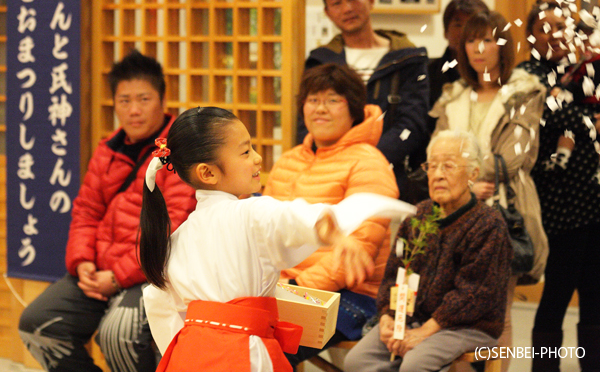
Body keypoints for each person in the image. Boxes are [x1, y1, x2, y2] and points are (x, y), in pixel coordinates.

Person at [139, 107, 415, 372]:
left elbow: (156, 301)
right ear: (207, 173)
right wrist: (336, 235)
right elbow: (295, 217)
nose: (257, 158)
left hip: (189, 356)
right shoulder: (251, 215)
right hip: (244, 354)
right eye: (246, 152)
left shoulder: (177, 240)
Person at [18, 50, 197, 372]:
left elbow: (171, 228)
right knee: (38, 324)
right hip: (99, 271)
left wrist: (117, 277)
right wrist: (82, 261)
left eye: (144, 99)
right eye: (124, 100)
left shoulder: (179, 153)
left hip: (151, 273)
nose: (134, 110)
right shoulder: (108, 151)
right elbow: (86, 212)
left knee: (119, 335)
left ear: (162, 99)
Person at [430, 9, 548, 372]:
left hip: (503, 211)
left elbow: (517, 155)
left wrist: (467, 175)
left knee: (501, 312)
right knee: (452, 311)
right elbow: (437, 151)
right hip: (454, 214)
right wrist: (465, 183)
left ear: (503, 46)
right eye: (470, 40)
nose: (477, 49)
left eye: (487, 40)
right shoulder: (453, 96)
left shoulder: (523, 93)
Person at [262, 64, 399, 368]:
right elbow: (265, 231)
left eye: (333, 100)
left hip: (351, 294)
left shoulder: (369, 163)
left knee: (266, 349)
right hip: (286, 288)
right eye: (313, 100)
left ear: (353, 109)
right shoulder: (287, 161)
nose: (320, 109)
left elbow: (358, 250)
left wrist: (294, 289)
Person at [344, 130, 513, 372]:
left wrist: (426, 330)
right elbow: (394, 274)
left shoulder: (488, 225)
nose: (438, 175)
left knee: (416, 365)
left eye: (449, 166)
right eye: (432, 166)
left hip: (468, 325)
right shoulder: (418, 215)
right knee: (358, 361)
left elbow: (474, 294)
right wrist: (388, 318)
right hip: (413, 317)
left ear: (473, 174)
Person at [518, 0, 600, 372]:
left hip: (595, 202)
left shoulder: (587, 70)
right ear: (531, 35)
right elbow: (549, 126)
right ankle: (543, 368)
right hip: (558, 204)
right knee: (556, 297)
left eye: (560, 25)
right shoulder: (527, 75)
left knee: (596, 298)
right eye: (543, 27)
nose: (553, 34)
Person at [298, 0, 430, 201]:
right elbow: (307, 124)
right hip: (330, 181)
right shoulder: (320, 61)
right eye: (336, 3)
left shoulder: (408, 59)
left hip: (393, 180)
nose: (347, 8)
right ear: (327, 12)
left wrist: (366, 161)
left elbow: (413, 124)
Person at [428, 0, 489, 112]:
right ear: (446, 32)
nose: (465, 32)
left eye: (472, 25)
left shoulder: (493, 74)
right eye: (458, 25)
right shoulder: (427, 75)